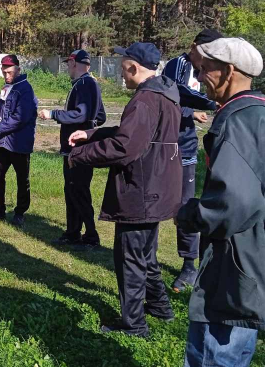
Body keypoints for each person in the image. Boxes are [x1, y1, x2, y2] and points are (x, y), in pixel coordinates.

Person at [176, 38, 265, 366]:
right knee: (238, 341)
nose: (199, 77)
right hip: (261, 249)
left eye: (204, 70)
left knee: (215, 351)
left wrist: (189, 213)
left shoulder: (236, 121)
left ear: (229, 71)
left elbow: (234, 203)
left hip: (236, 255)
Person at [68, 42, 181, 337]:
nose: (120, 73)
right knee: (145, 255)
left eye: (123, 67)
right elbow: (134, 134)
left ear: (133, 67)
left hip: (140, 190)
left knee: (129, 259)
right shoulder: (165, 93)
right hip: (158, 186)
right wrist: (91, 134)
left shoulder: (144, 100)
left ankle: (134, 325)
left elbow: (125, 146)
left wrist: (79, 155)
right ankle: (160, 307)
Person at [161, 29, 220, 292]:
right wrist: (209, 104)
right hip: (163, 146)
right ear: (194, 46)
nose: (208, 57)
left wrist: (194, 113)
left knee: (186, 206)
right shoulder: (178, 64)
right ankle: (144, 257)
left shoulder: (211, 70)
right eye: (205, 51)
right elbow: (177, 94)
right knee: (157, 200)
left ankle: (189, 266)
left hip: (186, 148)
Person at [39, 49, 106, 247]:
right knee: (73, 190)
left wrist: (53, 114)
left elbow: (81, 114)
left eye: (68, 63)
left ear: (74, 63)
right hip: (79, 147)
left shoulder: (84, 84)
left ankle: (91, 236)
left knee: (78, 191)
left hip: (79, 149)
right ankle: (73, 233)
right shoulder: (88, 83)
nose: (67, 67)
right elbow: (99, 116)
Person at [0, 54, 38, 226]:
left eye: (10, 72)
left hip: (18, 143)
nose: (7, 75)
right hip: (1, 142)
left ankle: (20, 212)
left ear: (18, 69)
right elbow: (0, 113)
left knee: (22, 179)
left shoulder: (25, 89)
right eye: (4, 72)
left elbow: (20, 118)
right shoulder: (6, 87)